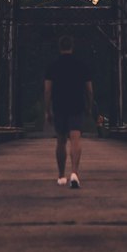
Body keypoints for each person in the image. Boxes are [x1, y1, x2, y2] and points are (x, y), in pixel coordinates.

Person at [44, 33, 94, 189]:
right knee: (75, 139)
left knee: (61, 141)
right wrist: (89, 106)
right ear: (72, 47)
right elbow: (89, 90)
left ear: (60, 48)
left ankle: (61, 176)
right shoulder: (81, 65)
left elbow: (47, 90)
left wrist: (47, 110)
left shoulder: (53, 66)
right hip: (77, 104)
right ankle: (74, 173)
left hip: (59, 105)